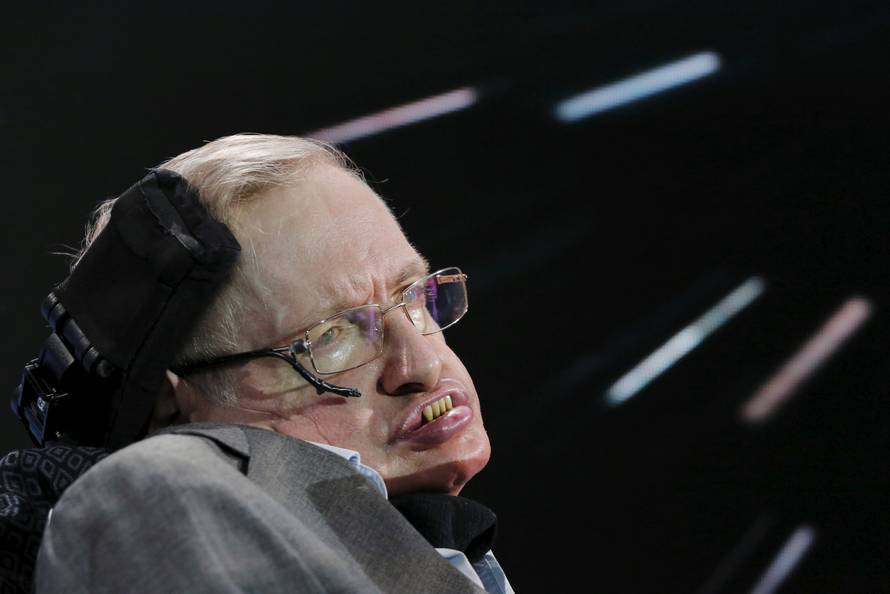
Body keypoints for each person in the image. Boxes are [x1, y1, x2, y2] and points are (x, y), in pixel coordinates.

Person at [33, 133, 514, 593]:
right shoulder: (155, 493)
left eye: (413, 296)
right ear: (172, 402)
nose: (423, 365)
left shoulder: (424, 546)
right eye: (332, 336)